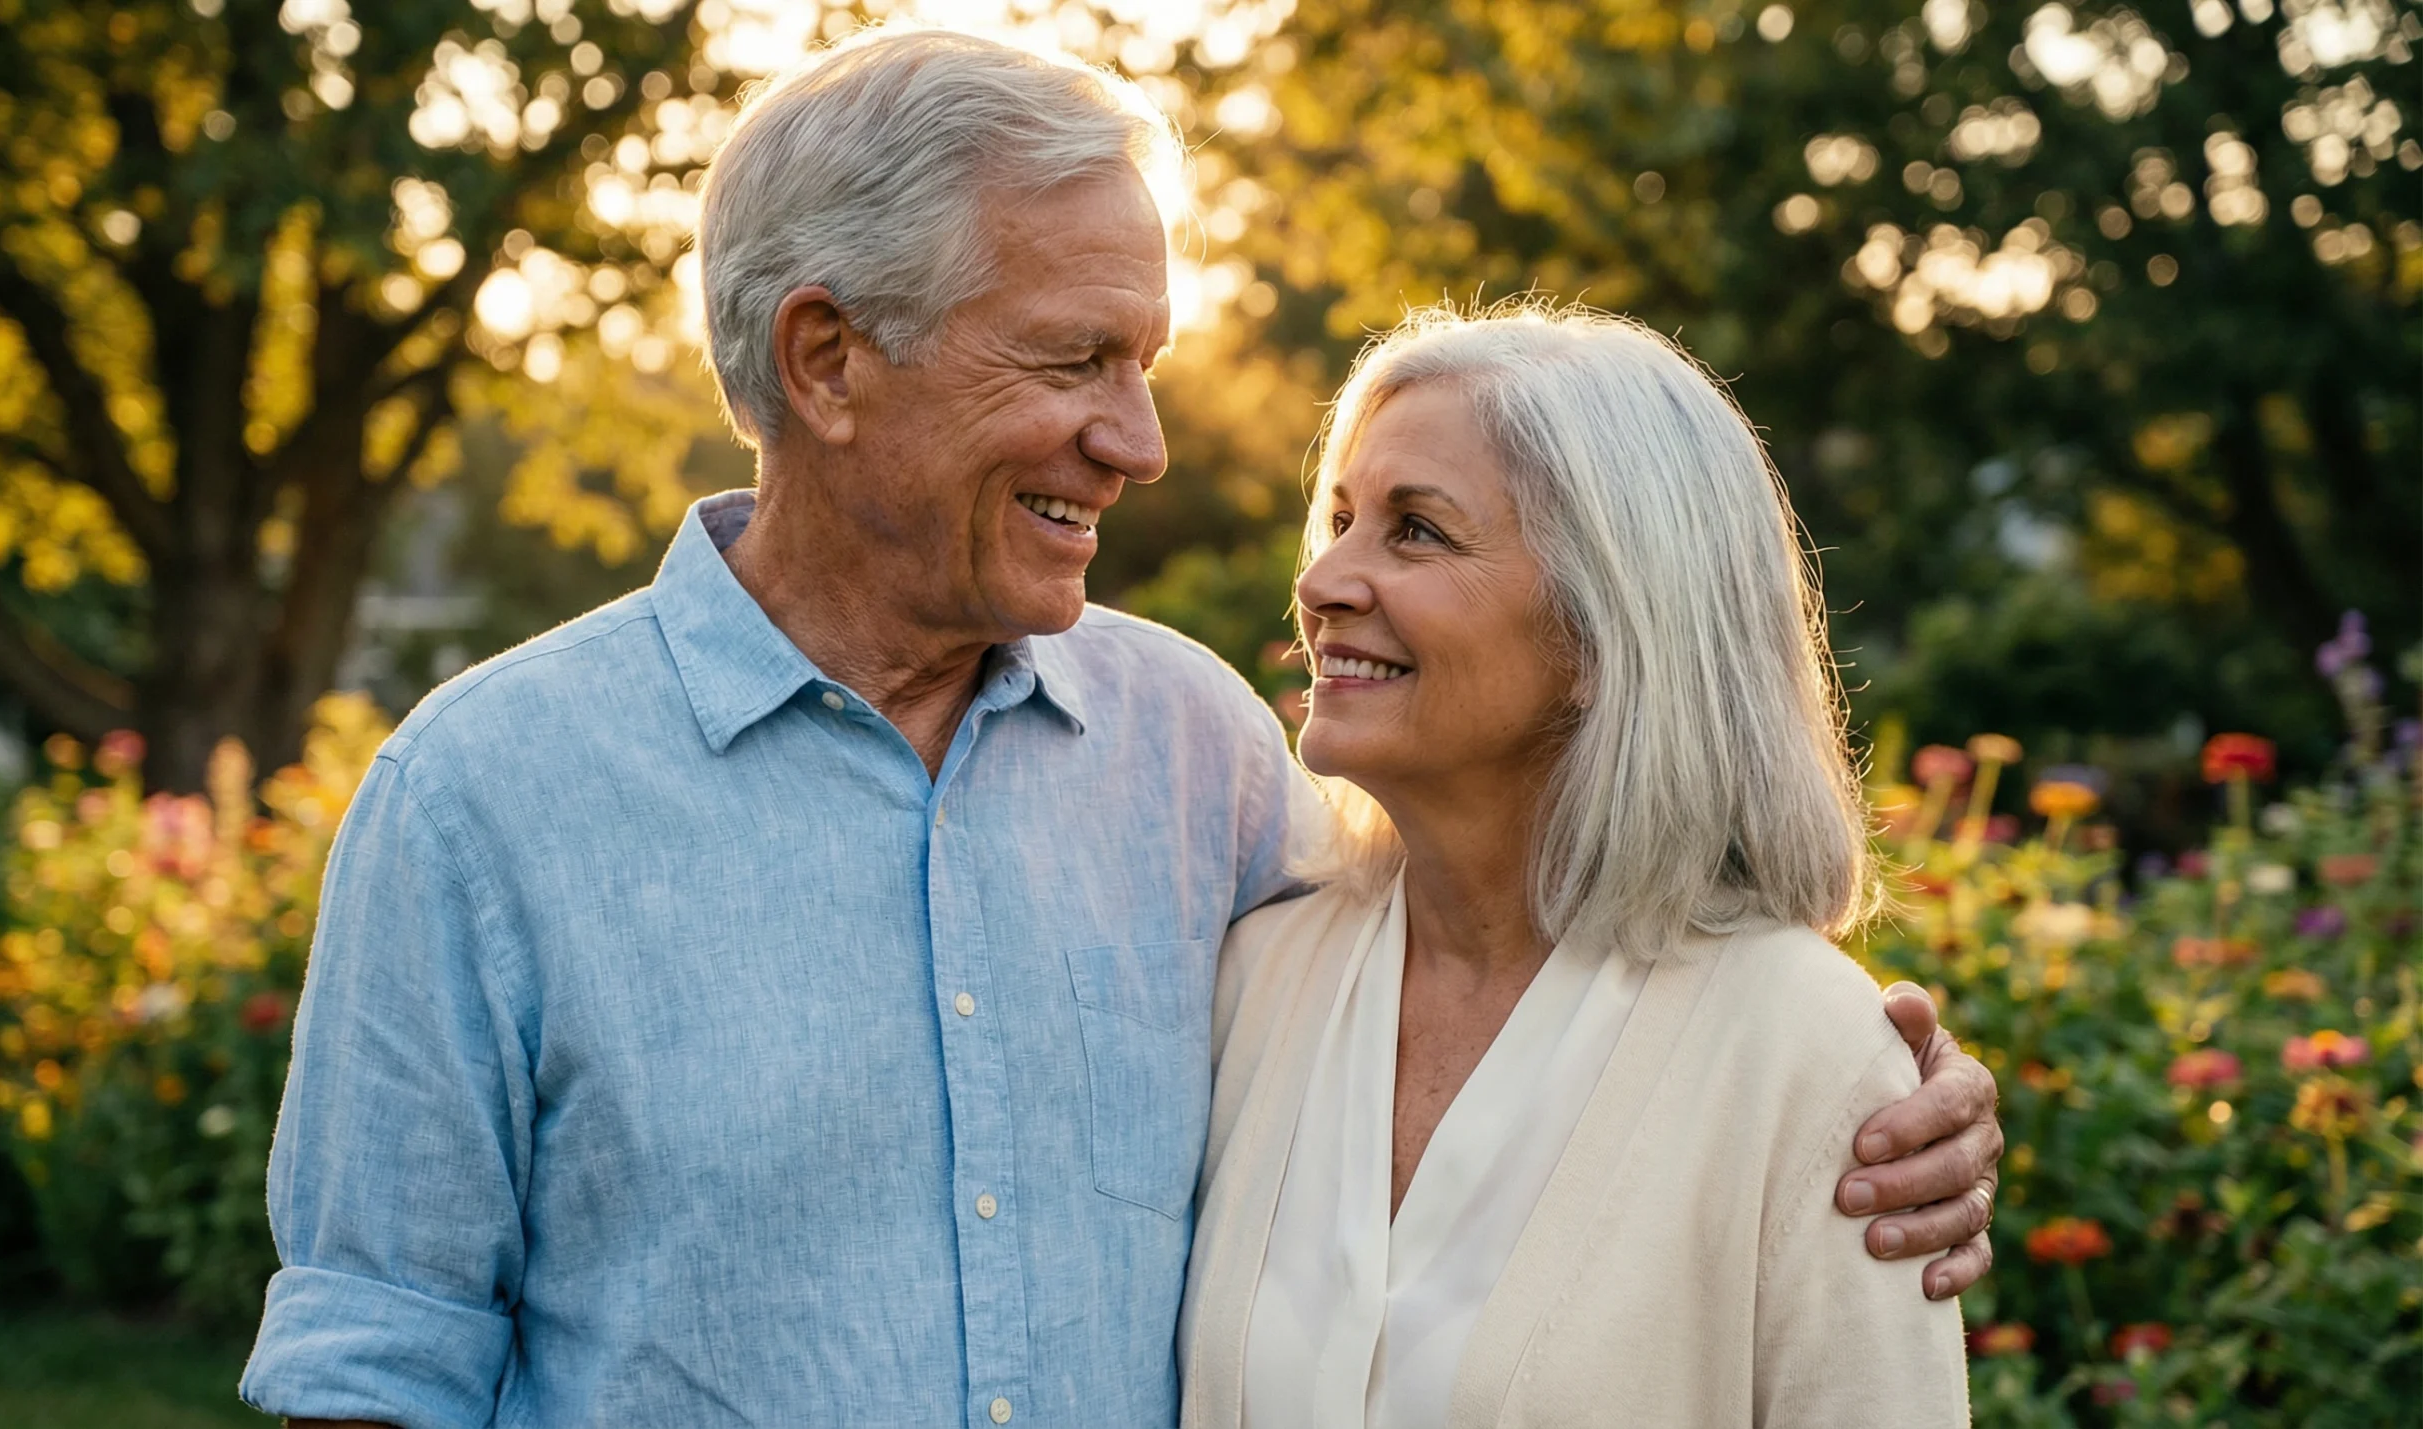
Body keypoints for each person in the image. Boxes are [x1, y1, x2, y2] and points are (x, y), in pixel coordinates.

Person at [242, 29, 1999, 1429]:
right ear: (830, 359)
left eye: (1146, 362)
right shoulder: (481, 801)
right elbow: (374, 1359)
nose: (1141, 441)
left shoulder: (1204, 756)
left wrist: (1877, 1099)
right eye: (1075, 359)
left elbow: (1561, 978)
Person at [1180, 305, 1978, 1428]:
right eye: (1344, 518)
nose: (1322, 582)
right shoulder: (1252, 980)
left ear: (1605, 633)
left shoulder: (1805, 1052)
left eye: (1416, 531)